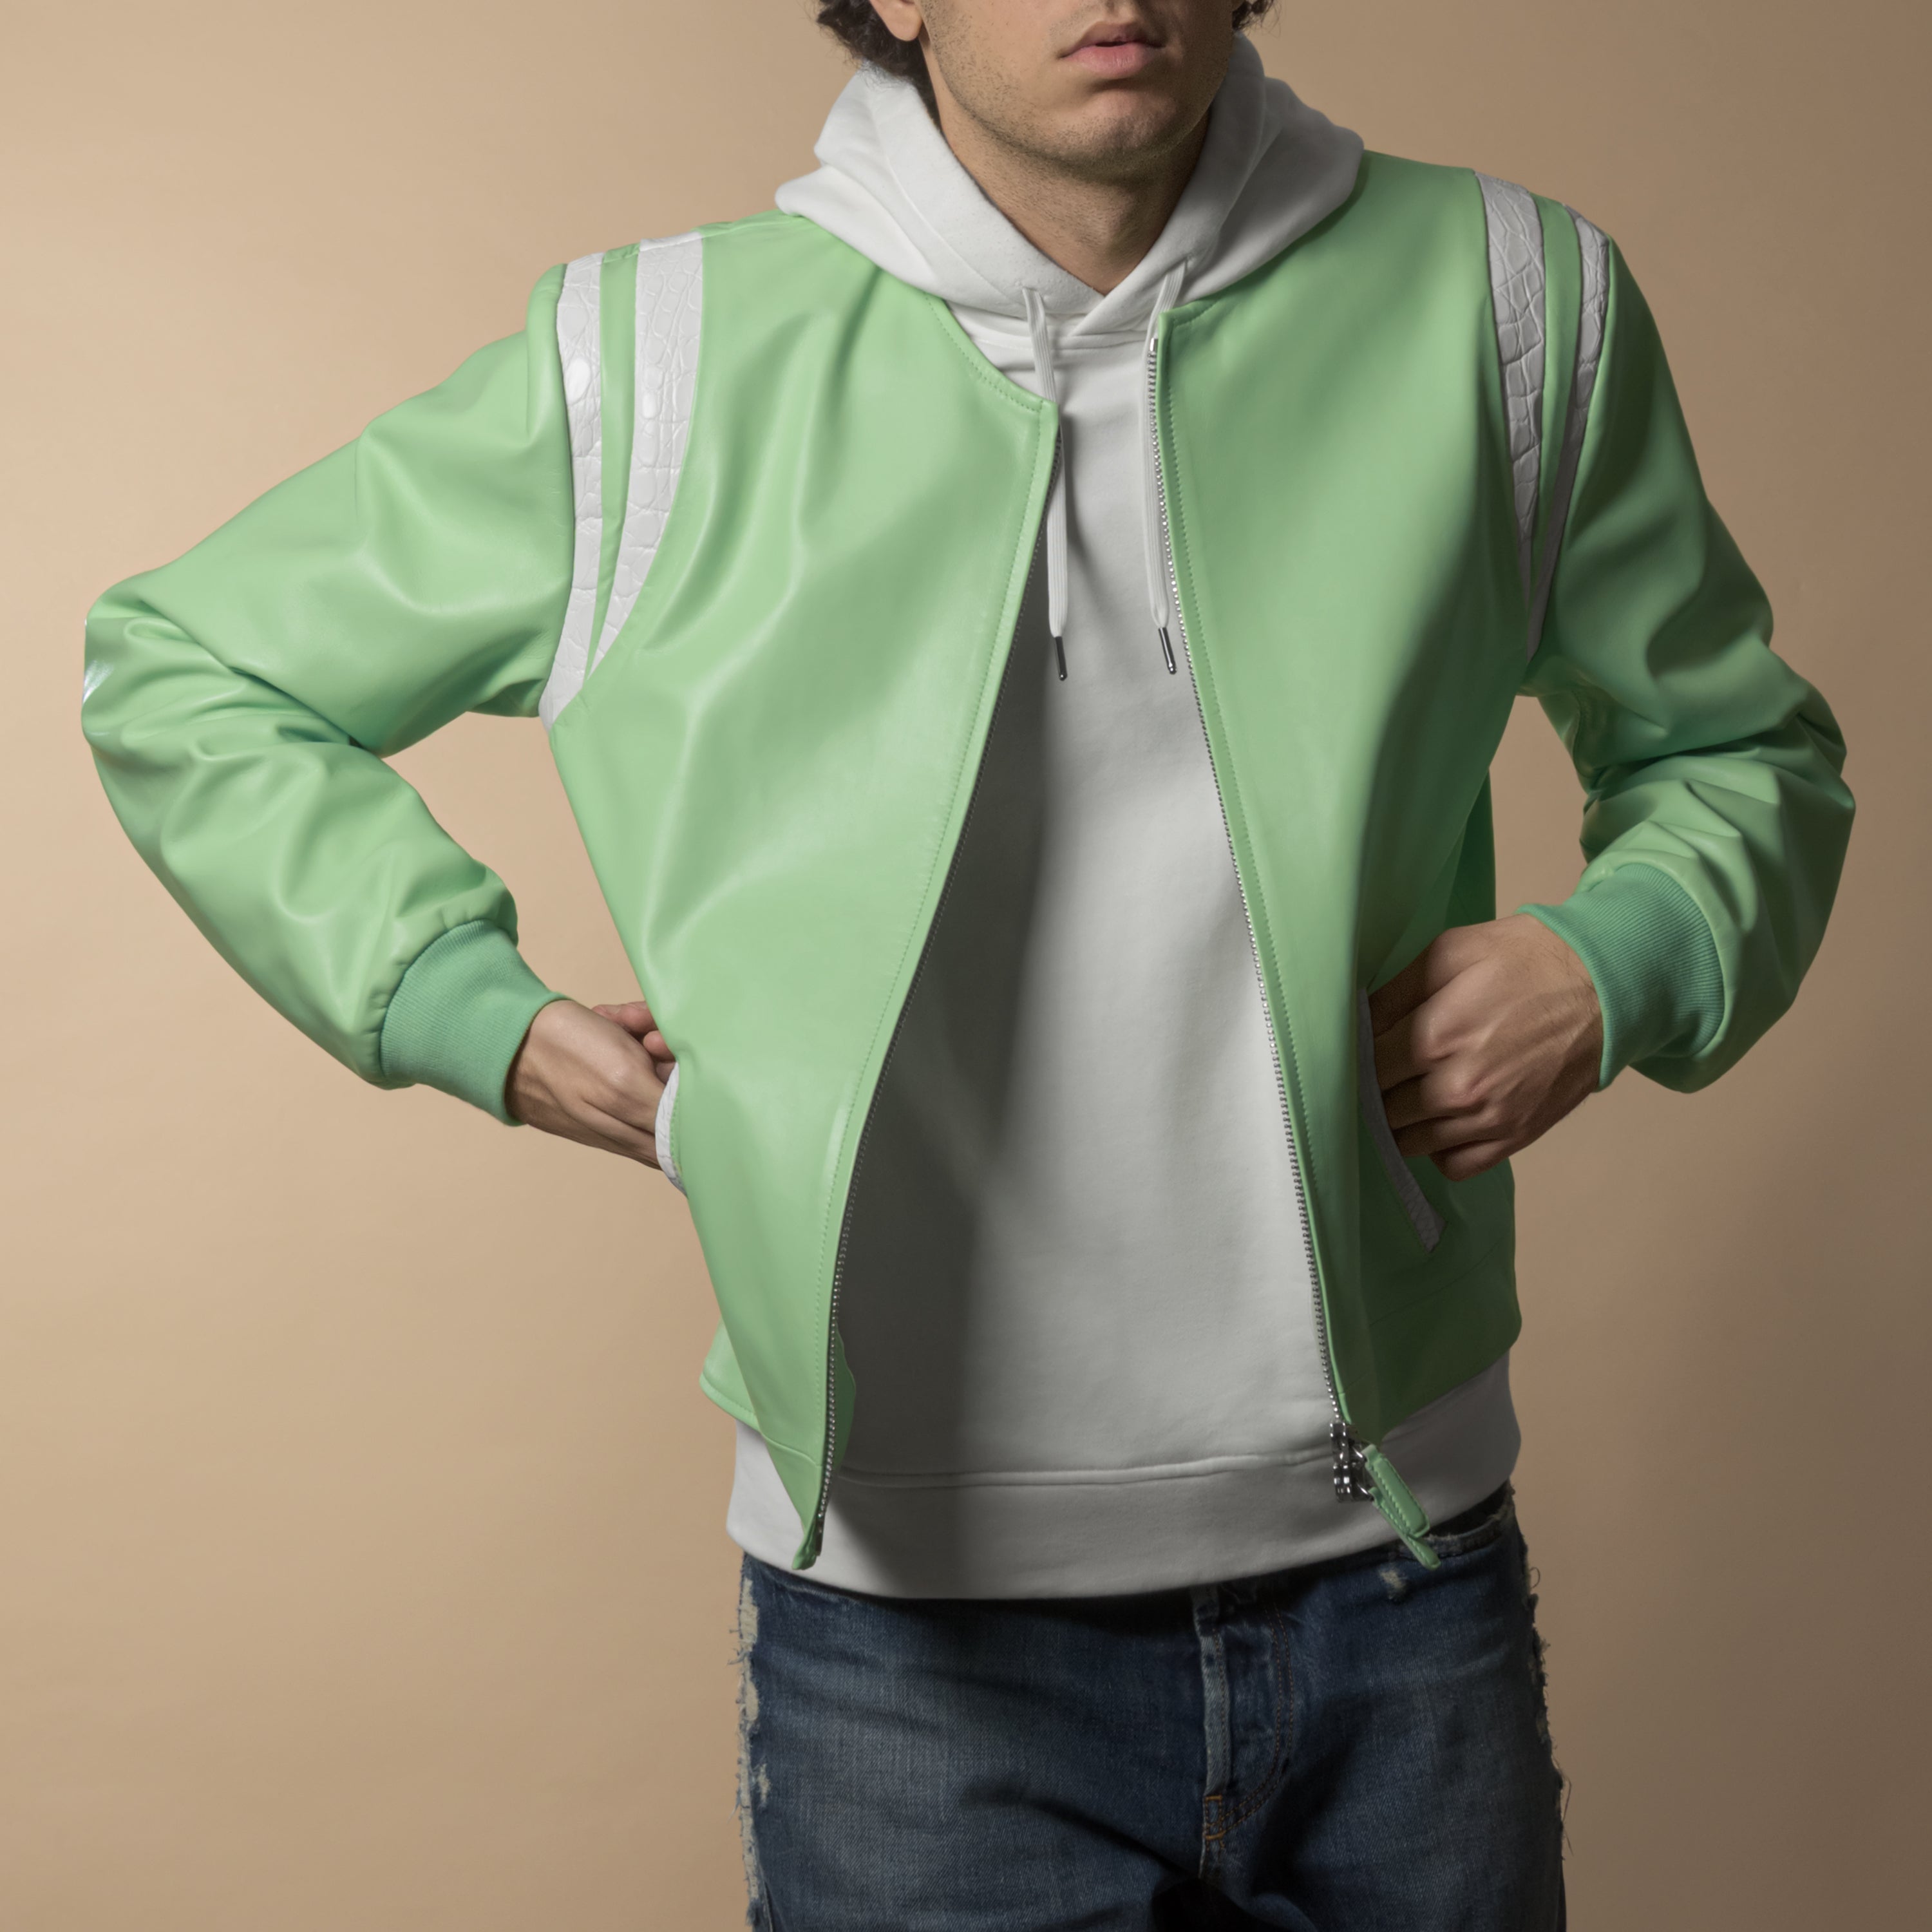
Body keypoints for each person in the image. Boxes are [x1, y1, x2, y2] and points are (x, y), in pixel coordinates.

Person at [82, 1, 1852, 1924]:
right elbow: (189, 669)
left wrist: (1618, 959)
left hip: (1399, 1582)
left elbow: (1741, 754)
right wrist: (467, 1008)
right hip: (909, 1656)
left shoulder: (1506, 305)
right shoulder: (657, 365)